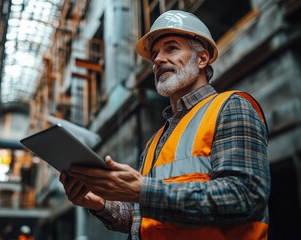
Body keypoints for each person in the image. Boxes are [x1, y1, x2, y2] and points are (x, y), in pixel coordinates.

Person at [60, 10, 270, 240]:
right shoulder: (155, 141)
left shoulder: (231, 107)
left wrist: (143, 190)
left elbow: (245, 197)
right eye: (155, 54)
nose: (158, 59)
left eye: (171, 48)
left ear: (202, 59)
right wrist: (99, 202)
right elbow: (144, 220)